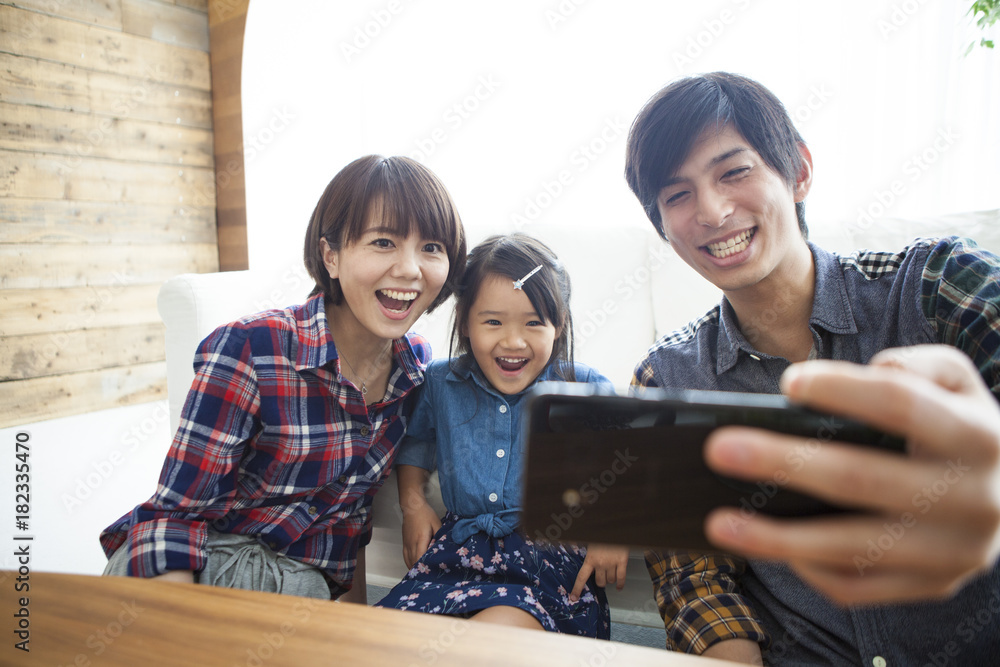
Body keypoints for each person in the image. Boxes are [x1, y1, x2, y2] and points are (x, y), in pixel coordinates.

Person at [623, 72, 1000, 664]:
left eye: (734, 172)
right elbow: (695, 581)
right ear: (664, 228)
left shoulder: (941, 285)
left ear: (798, 171)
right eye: (677, 196)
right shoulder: (664, 378)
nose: (713, 211)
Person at [99, 155, 467, 603]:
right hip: (199, 573)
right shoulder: (251, 348)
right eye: (384, 242)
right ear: (331, 256)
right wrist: (180, 630)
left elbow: (348, 527)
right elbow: (176, 517)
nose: (410, 269)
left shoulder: (413, 370)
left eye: (431, 248)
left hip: (299, 593)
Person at [376, 233, 630, 637]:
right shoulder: (442, 381)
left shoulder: (582, 388)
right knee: (386, 635)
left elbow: (627, 462)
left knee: (496, 638)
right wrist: (412, 505)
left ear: (558, 324)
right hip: (455, 554)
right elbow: (418, 442)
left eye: (533, 323)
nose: (513, 341)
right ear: (464, 321)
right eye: (493, 321)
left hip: (544, 566)